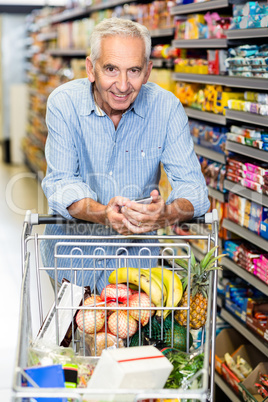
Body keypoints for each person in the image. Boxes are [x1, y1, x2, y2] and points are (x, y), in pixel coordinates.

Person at [40, 17, 210, 292]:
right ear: (91, 68)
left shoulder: (166, 108)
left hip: (136, 267)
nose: (122, 85)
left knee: (130, 334)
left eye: (133, 70)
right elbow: (61, 183)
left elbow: (195, 190)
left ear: (147, 71)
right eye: (111, 69)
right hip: (71, 262)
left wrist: (165, 214)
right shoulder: (64, 103)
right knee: (76, 335)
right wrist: (103, 214)